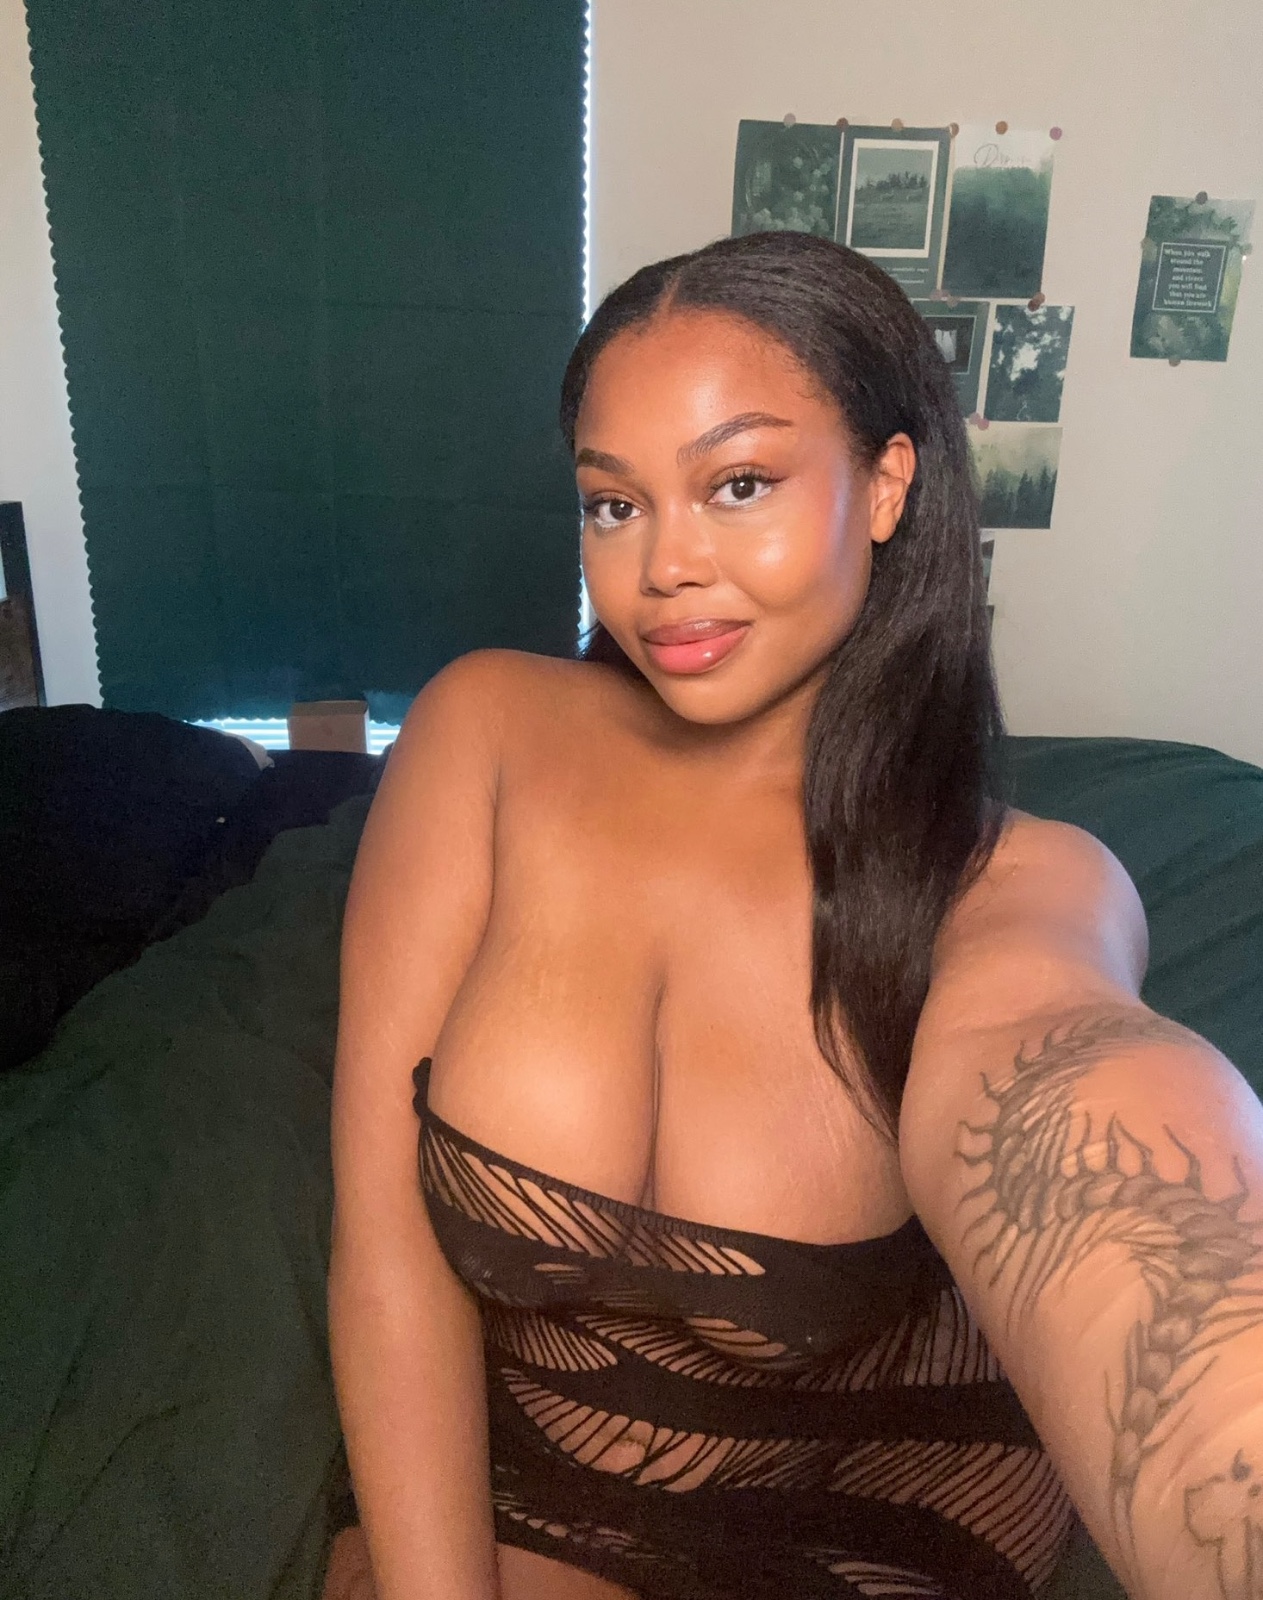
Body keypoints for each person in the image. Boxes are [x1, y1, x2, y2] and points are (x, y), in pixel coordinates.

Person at [326, 232, 1263, 1600]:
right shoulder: (487, 730)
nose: (664, 568)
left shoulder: (1014, 880)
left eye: (740, 484)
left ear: (886, 485)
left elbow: (1081, 1099)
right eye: (614, 505)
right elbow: (384, 1250)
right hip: (533, 1463)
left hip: (872, 1495)